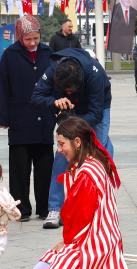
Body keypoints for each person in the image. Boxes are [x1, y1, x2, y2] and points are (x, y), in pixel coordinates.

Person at [27, 117, 137, 269]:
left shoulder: (88, 171)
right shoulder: (81, 165)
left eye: (62, 144)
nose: (59, 149)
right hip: (81, 238)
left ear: (77, 142)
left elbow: (80, 217)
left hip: (92, 243)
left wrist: (66, 244)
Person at [33, 30, 114, 229]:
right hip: (70, 111)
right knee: (63, 154)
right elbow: (35, 98)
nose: (68, 92)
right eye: (65, 90)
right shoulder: (53, 69)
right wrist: (55, 101)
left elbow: (96, 115)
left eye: (71, 90)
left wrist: (73, 122)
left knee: (98, 152)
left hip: (96, 108)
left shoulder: (95, 74)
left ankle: (99, 205)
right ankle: (55, 208)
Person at [0, 15, 53, 222]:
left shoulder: (48, 52)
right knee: (20, 168)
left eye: (36, 38)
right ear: (20, 37)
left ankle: (45, 208)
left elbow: (56, 83)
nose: (33, 43)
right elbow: (3, 88)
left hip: (44, 116)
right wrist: (2, 117)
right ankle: (22, 210)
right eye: (28, 39)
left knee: (45, 167)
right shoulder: (10, 55)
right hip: (19, 117)